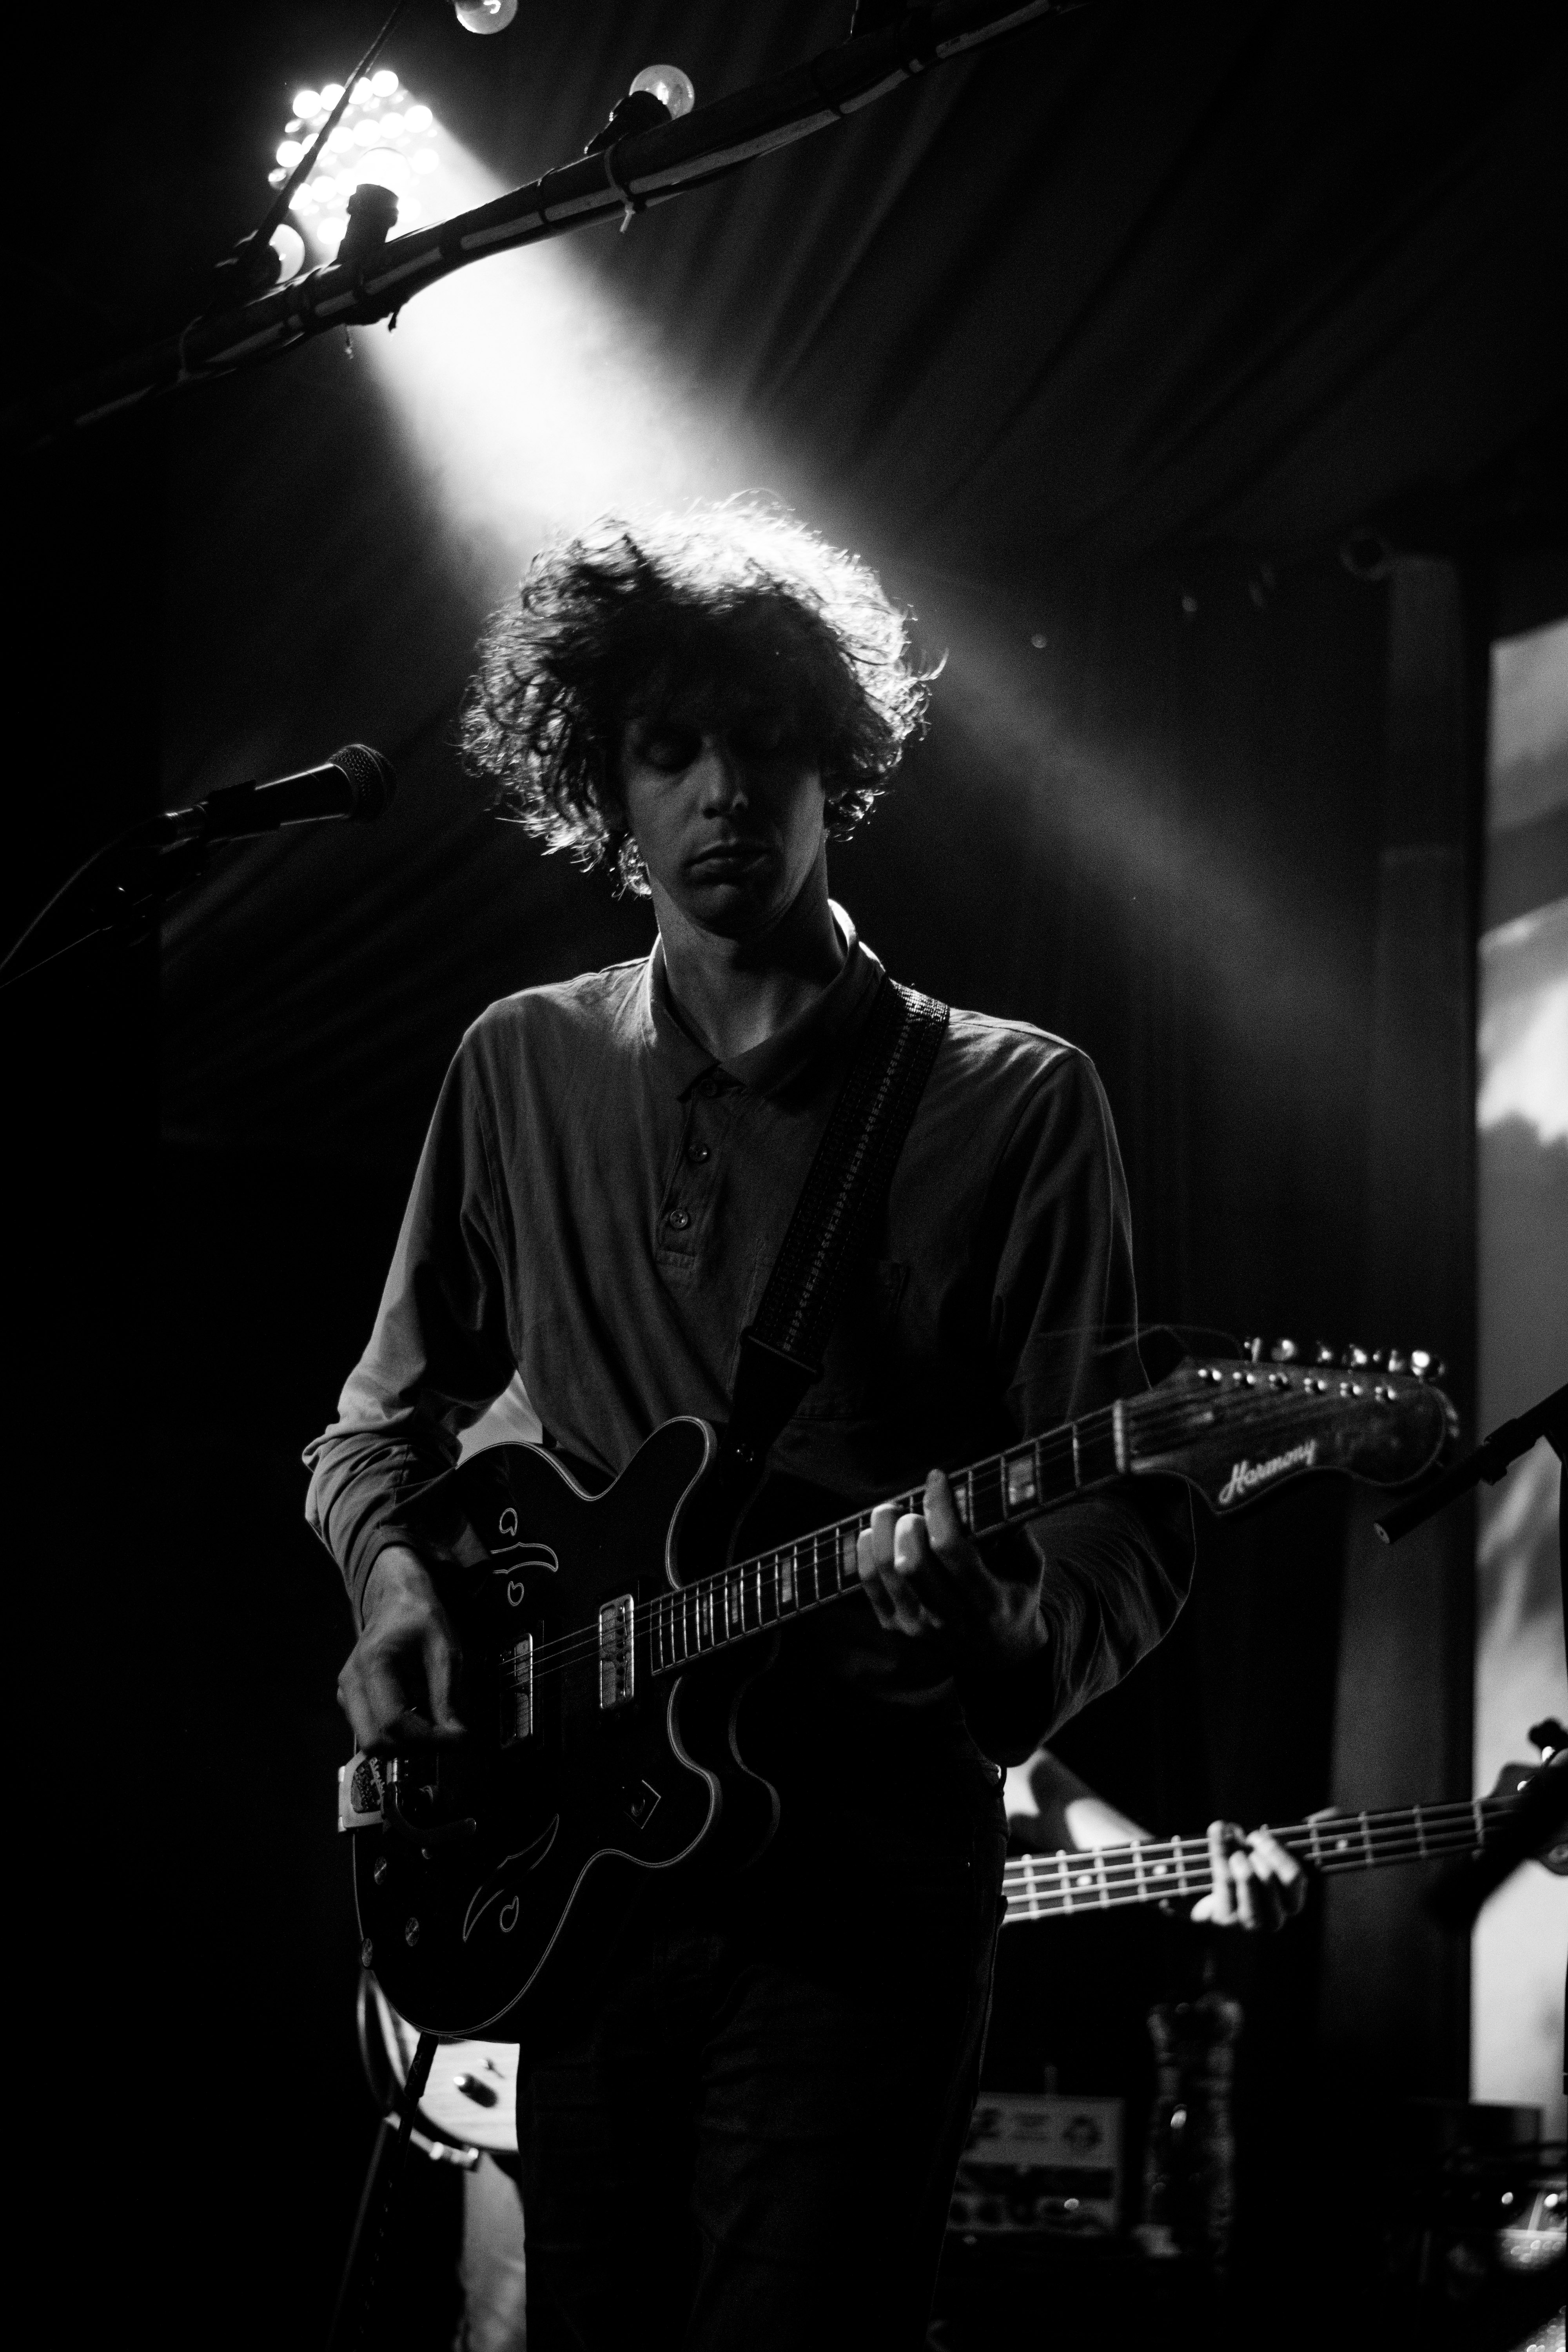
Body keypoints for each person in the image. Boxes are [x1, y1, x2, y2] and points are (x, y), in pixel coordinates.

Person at [309, 500, 1194, 2350]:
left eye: (766, 742)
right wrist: (395, 1587)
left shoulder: (1012, 1101)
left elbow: (1126, 1519)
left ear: (835, 766)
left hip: (857, 1890)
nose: (723, 790)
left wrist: (999, 1637)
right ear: (604, 786)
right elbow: (374, 1430)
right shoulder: (520, 1062)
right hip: (581, 1880)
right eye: (670, 748)